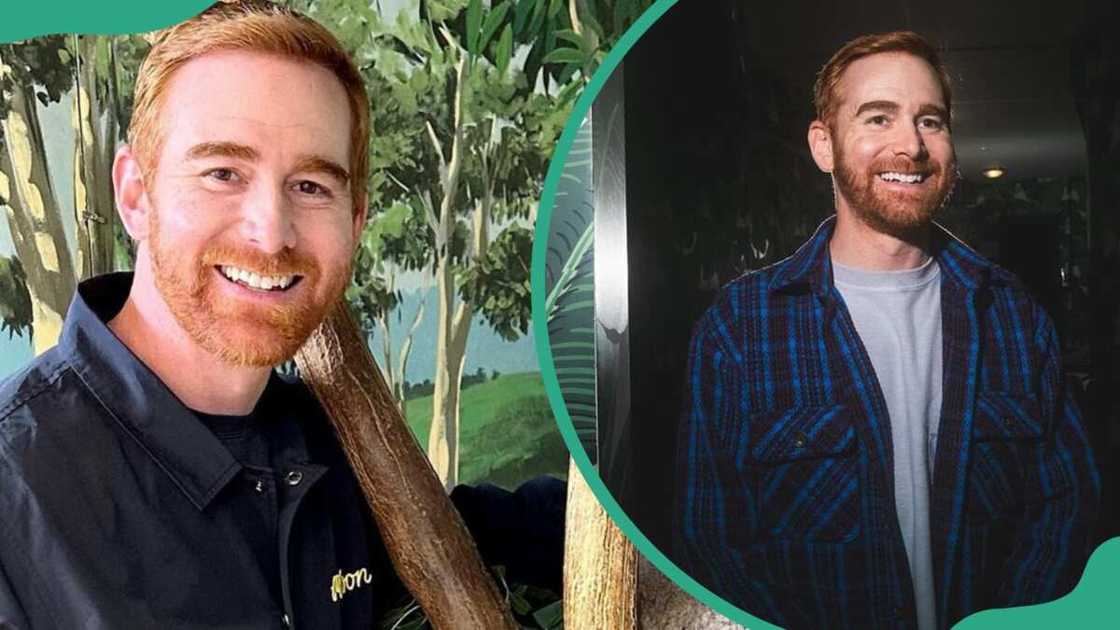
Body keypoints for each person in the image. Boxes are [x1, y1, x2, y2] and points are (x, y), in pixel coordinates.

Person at [0, 2, 562, 628]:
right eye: (222, 173)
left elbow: (478, 530)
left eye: (312, 186)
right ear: (135, 193)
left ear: (353, 222)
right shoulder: (16, 494)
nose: (271, 234)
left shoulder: (332, 444)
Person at [674, 31, 1101, 630]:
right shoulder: (740, 330)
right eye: (879, 118)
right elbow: (710, 541)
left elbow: (1067, 506)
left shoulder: (1012, 315)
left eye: (931, 121)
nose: (912, 145)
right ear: (824, 144)